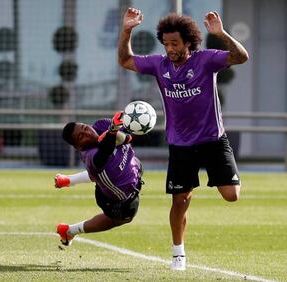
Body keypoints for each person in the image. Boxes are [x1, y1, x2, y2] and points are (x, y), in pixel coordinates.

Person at [118, 8, 249, 271]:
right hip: (180, 145)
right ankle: (178, 254)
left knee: (231, 195)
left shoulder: (206, 60)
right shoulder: (159, 65)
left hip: (213, 139)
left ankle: (214, 178)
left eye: (174, 43)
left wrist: (221, 34)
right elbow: (125, 61)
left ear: (188, 41)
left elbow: (241, 57)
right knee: (180, 200)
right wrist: (127, 30)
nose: (169, 48)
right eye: (166, 43)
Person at [54, 112, 144, 246]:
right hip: (116, 199)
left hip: (130, 170)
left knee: (112, 171)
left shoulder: (101, 125)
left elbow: (128, 137)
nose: (87, 133)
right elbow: (105, 151)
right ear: (78, 146)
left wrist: (130, 125)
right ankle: (69, 231)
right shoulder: (90, 156)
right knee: (126, 216)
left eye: (85, 128)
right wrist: (113, 131)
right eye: (81, 136)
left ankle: (68, 180)